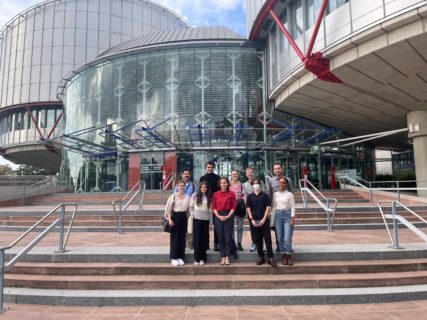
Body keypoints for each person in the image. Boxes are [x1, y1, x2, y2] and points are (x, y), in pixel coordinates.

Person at [246, 178, 277, 267]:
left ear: (260, 185)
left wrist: (264, 219)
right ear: (252, 186)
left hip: (264, 220)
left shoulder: (265, 195)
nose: (256, 185)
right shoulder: (250, 196)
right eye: (254, 183)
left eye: (257, 183)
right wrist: (251, 220)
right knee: (257, 240)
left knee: (267, 239)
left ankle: (270, 258)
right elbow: (248, 208)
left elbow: (268, 207)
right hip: (254, 220)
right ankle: (261, 257)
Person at [266, 162, 294, 252]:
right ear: (273, 170)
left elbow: (291, 193)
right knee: (277, 229)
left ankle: (288, 246)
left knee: (287, 231)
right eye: (275, 169)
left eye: (278, 168)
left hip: (286, 209)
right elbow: (270, 195)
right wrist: (269, 209)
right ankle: (279, 246)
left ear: (282, 169)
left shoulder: (288, 180)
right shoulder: (271, 181)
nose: (277, 170)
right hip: (276, 209)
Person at [165, 180, 191, 266]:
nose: (182, 187)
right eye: (180, 186)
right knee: (175, 238)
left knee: (182, 238)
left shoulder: (188, 197)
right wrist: (169, 219)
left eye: (183, 186)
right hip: (175, 217)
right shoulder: (173, 196)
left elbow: (188, 210)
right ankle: (174, 257)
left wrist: (189, 220)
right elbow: (169, 209)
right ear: (177, 186)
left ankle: (180, 257)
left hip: (184, 218)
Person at [212, 177, 236, 265]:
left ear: (227, 183)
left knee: (228, 237)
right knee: (220, 237)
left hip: (229, 215)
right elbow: (213, 207)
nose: (223, 184)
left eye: (225, 182)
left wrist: (228, 215)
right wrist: (218, 216)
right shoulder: (215, 194)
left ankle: (227, 257)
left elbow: (234, 206)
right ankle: (222, 256)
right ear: (219, 184)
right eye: (222, 183)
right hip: (218, 216)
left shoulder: (231, 193)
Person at [273, 177, 296, 265]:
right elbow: (274, 206)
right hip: (278, 216)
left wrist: (292, 218)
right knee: (280, 238)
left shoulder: (290, 194)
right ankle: (283, 255)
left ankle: (289, 255)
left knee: (287, 238)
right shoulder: (275, 194)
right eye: (280, 182)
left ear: (286, 184)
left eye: (283, 183)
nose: (281, 184)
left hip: (287, 215)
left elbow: (293, 207)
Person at [243, 166, 265, 253]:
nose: (249, 174)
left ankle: (262, 244)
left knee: (262, 226)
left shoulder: (260, 182)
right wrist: (247, 208)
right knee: (253, 227)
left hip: (261, 207)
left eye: (251, 172)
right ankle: (254, 243)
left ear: (253, 172)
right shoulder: (244, 185)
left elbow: (263, 193)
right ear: (246, 174)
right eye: (247, 172)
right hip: (251, 209)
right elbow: (245, 197)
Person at [199, 161, 220, 251]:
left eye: (211, 167)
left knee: (216, 224)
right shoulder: (202, 178)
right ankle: (206, 243)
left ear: (214, 168)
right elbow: (200, 191)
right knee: (205, 224)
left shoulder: (217, 177)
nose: (209, 168)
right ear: (205, 168)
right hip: (205, 204)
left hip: (215, 203)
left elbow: (219, 190)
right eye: (208, 167)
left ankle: (216, 243)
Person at [189, 181, 212, 265]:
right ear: (200, 187)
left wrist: (210, 223)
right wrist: (192, 214)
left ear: (207, 188)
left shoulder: (209, 197)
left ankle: (203, 258)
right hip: (197, 220)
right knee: (197, 239)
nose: (203, 189)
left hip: (206, 220)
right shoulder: (195, 195)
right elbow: (191, 207)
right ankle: (197, 258)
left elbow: (210, 212)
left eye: (205, 187)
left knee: (204, 239)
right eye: (202, 187)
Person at [230, 169, 245, 251]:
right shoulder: (228, 184)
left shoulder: (241, 185)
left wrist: (240, 201)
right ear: (231, 175)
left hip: (239, 208)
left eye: (235, 174)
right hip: (230, 208)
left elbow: (244, 195)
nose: (234, 175)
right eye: (233, 174)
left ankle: (239, 243)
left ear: (238, 175)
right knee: (231, 226)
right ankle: (232, 243)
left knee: (240, 226)